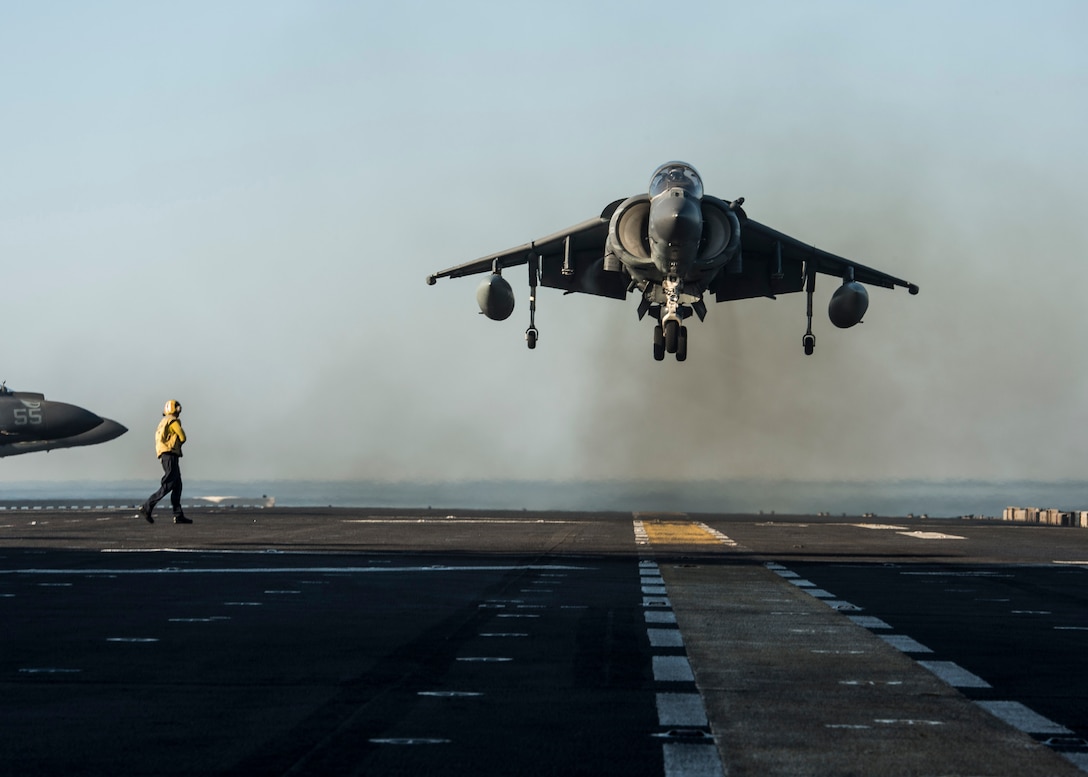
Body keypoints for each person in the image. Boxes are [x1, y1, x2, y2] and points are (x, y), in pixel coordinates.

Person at [137, 399, 191, 524]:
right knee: (169, 485)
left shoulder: (162, 422)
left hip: (165, 455)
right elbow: (183, 436)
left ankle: (178, 515)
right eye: (177, 407)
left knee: (177, 485)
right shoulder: (172, 421)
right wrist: (178, 442)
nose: (179, 410)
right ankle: (147, 506)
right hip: (170, 455)